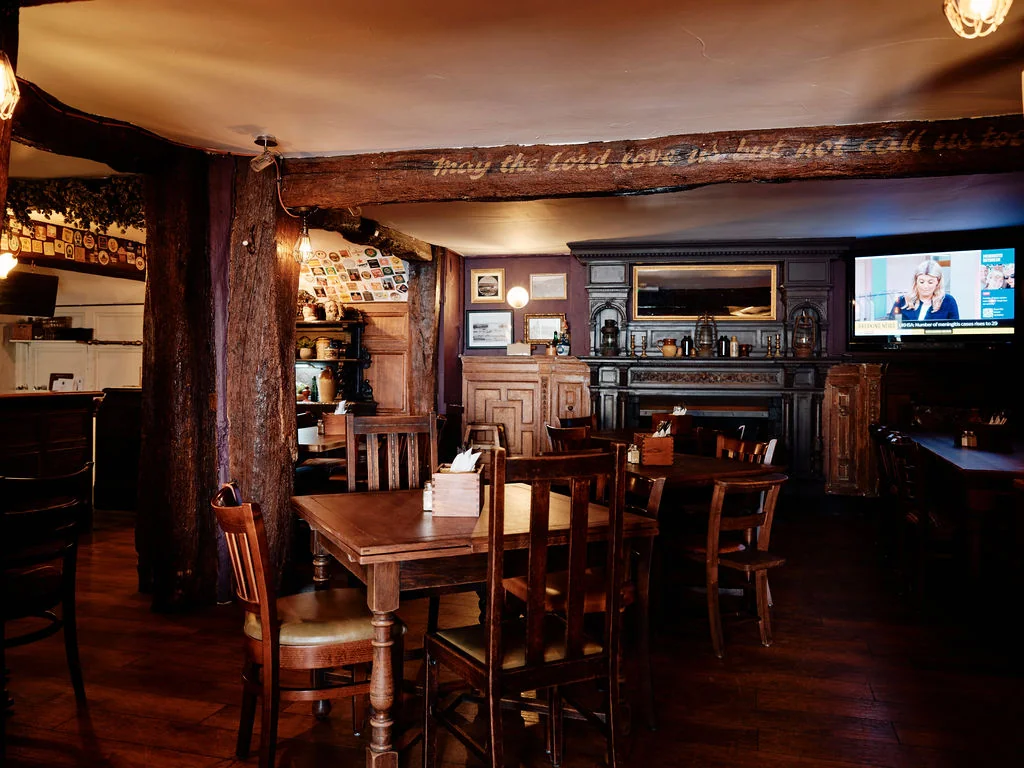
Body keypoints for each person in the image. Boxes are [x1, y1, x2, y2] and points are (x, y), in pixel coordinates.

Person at [887, 259, 959, 320]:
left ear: (938, 281)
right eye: (921, 282)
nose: (925, 286)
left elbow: (955, 329)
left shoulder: (948, 301)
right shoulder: (902, 301)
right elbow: (891, 329)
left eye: (930, 282)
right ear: (916, 281)